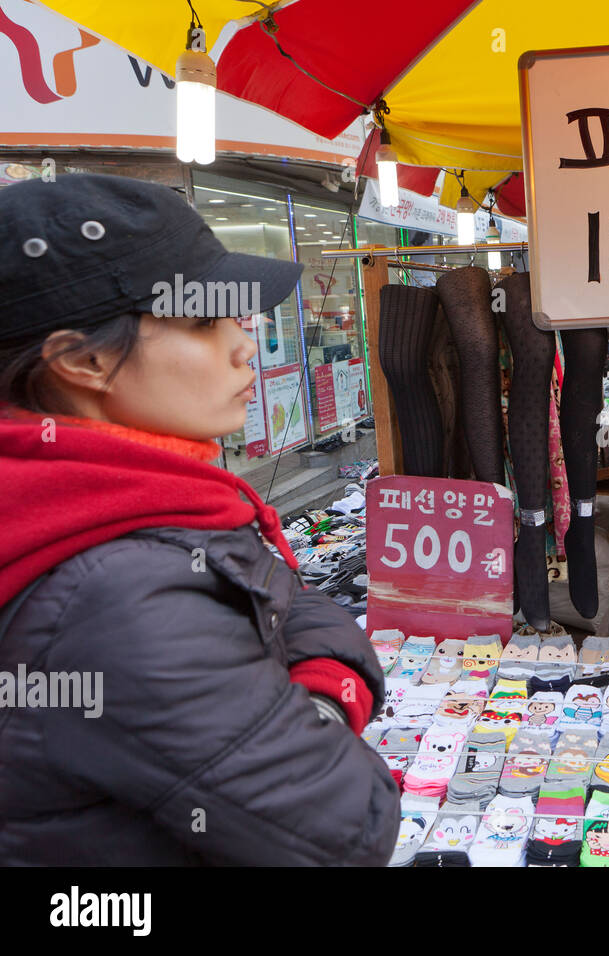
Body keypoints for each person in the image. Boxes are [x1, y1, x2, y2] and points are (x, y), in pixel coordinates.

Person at [0, 173, 400, 865]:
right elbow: (348, 824)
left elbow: (282, 595)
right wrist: (332, 689)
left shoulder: (108, 506)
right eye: (202, 320)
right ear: (82, 360)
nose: (245, 346)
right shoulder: (119, 591)